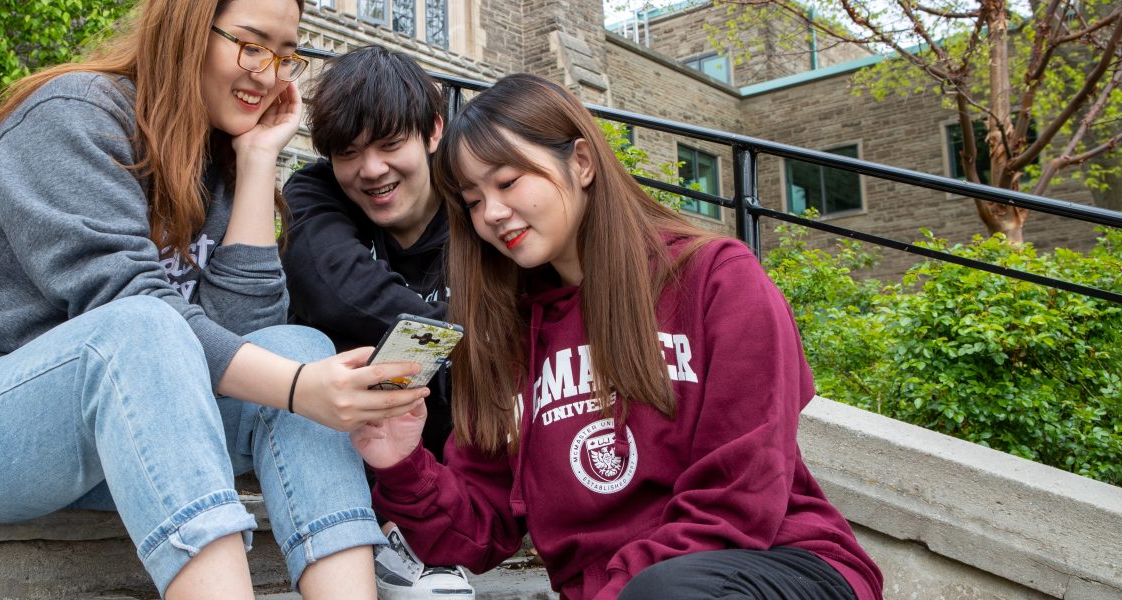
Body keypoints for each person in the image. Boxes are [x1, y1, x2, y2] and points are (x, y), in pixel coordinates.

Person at [0, 2, 432, 599]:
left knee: (296, 344)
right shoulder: (75, 113)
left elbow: (243, 340)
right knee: (145, 326)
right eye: (250, 43)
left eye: (284, 55)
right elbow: (128, 305)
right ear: (186, 25)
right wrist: (300, 387)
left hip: (119, 434)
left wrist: (256, 159)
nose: (268, 74)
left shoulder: (217, 155)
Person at [350, 74, 885, 600]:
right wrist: (403, 461)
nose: (491, 213)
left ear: (581, 162)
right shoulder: (505, 335)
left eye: (508, 182)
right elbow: (477, 534)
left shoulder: (715, 278)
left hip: (776, 566)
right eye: (471, 199)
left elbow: (736, 502)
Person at [281, 46, 474, 599]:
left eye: (391, 145)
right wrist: (466, 336)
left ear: (434, 130)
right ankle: (384, 539)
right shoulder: (315, 192)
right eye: (350, 152)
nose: (371, 170)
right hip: (357, 427)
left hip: (461, 434)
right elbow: (331, 286)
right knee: (320, 342)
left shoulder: (476, 200)